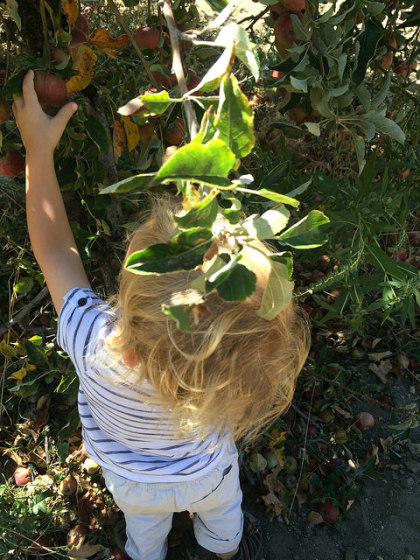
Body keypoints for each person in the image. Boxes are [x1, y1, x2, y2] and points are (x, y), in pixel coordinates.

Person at [13, 69, 310, 560]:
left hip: (133, 483)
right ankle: (223, 547)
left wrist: (37, 150)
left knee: (143, 526)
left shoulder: (95, 345)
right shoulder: (228, 384)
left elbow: (54, 252)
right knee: (224, 511)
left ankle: (145, 552)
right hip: (206, 476)